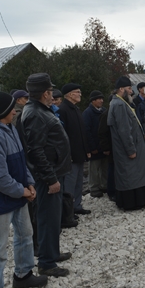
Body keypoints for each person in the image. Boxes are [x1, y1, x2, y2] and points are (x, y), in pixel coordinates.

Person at [0, 92, 47, 288]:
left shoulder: (9, 128)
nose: (15, 111)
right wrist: (23, 191)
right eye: (11, 109)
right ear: (2, 112)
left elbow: (20, 160)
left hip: (18, 193)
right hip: (0, 198)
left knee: (25, 233)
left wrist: (30, 183)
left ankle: (23, 274)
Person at [17, 73, 72, 278]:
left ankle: (52, 252)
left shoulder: (39, 110)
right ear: (44, 93)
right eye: (50, 91)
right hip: (48, 176)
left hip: (54, 172)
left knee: (54, 215)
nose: (52, 95)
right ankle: (47, 263)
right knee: (48, 217)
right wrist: (50, 178)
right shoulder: (35, 114)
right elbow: (36, 151)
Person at [107, 76, 145, 209]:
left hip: (132, 146)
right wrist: (131, 150)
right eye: (128, 88)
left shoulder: (122, 103)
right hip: (127, 149)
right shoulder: (119, 105)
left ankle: (138, 201)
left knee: (135, 175)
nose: (131, 91)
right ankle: (131, 203)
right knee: (130, 176)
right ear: (121, 89)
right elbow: (124, 130)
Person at [58, 83, 91, 215]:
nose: (80, 94)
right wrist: (67, 154)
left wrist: (86, 149)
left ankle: (77, 205)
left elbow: (82, 132)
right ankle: (68, 210)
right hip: (71, 155)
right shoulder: (63, 110)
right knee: (69, 184)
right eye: (78, 92)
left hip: (80, 153)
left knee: (78, 182)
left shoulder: (76, 109)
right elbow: (63, 135)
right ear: (70, 94)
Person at [83, 90, 108, 198]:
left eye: (102, 99)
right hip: (95, 147)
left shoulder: (104, 111)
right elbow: (87, 131)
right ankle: (93, 187)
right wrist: (92, 147)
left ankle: (104, 185)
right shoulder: (87, 113)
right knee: (94, 168)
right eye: (99, 99)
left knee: (105, 167)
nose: (101, 101)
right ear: (93, 101)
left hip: (104, 146)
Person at [98, 94, 116, 201]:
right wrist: (105, 148)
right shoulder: (106, 114)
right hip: (110, 146)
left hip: (117, 147)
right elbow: (102, 132)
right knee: (111, 169)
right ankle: (111, 191)